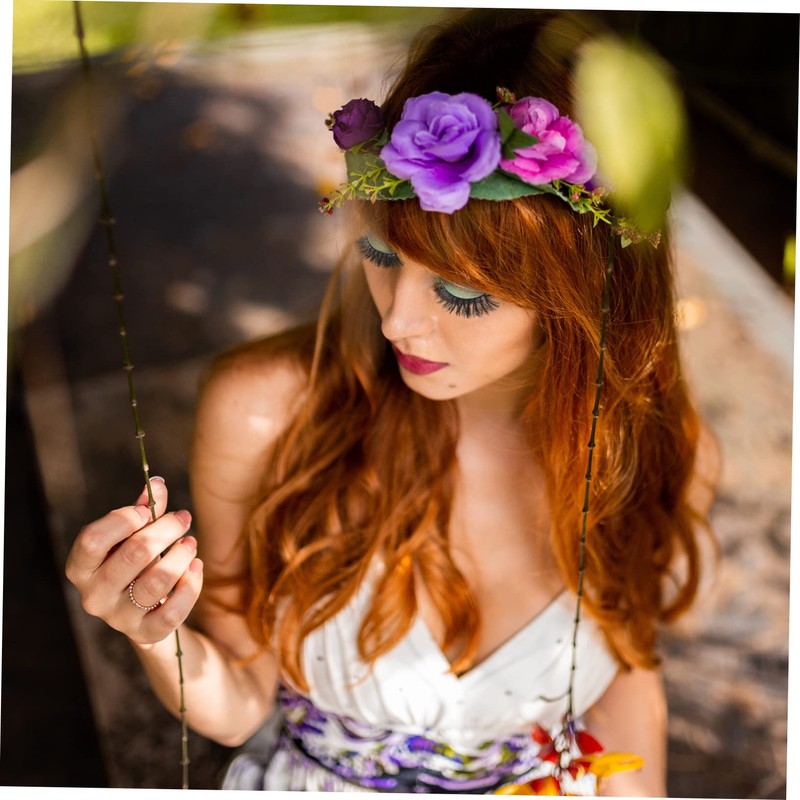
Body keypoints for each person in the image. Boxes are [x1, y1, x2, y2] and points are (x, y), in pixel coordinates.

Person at [65, 8, 717, 797]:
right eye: (380, 252)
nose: (398, 321)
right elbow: (239, 706)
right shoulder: (265, 412)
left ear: (582, 300)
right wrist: (152, 632)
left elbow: (627, 683)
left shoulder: (654, 451)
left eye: (464, 295)